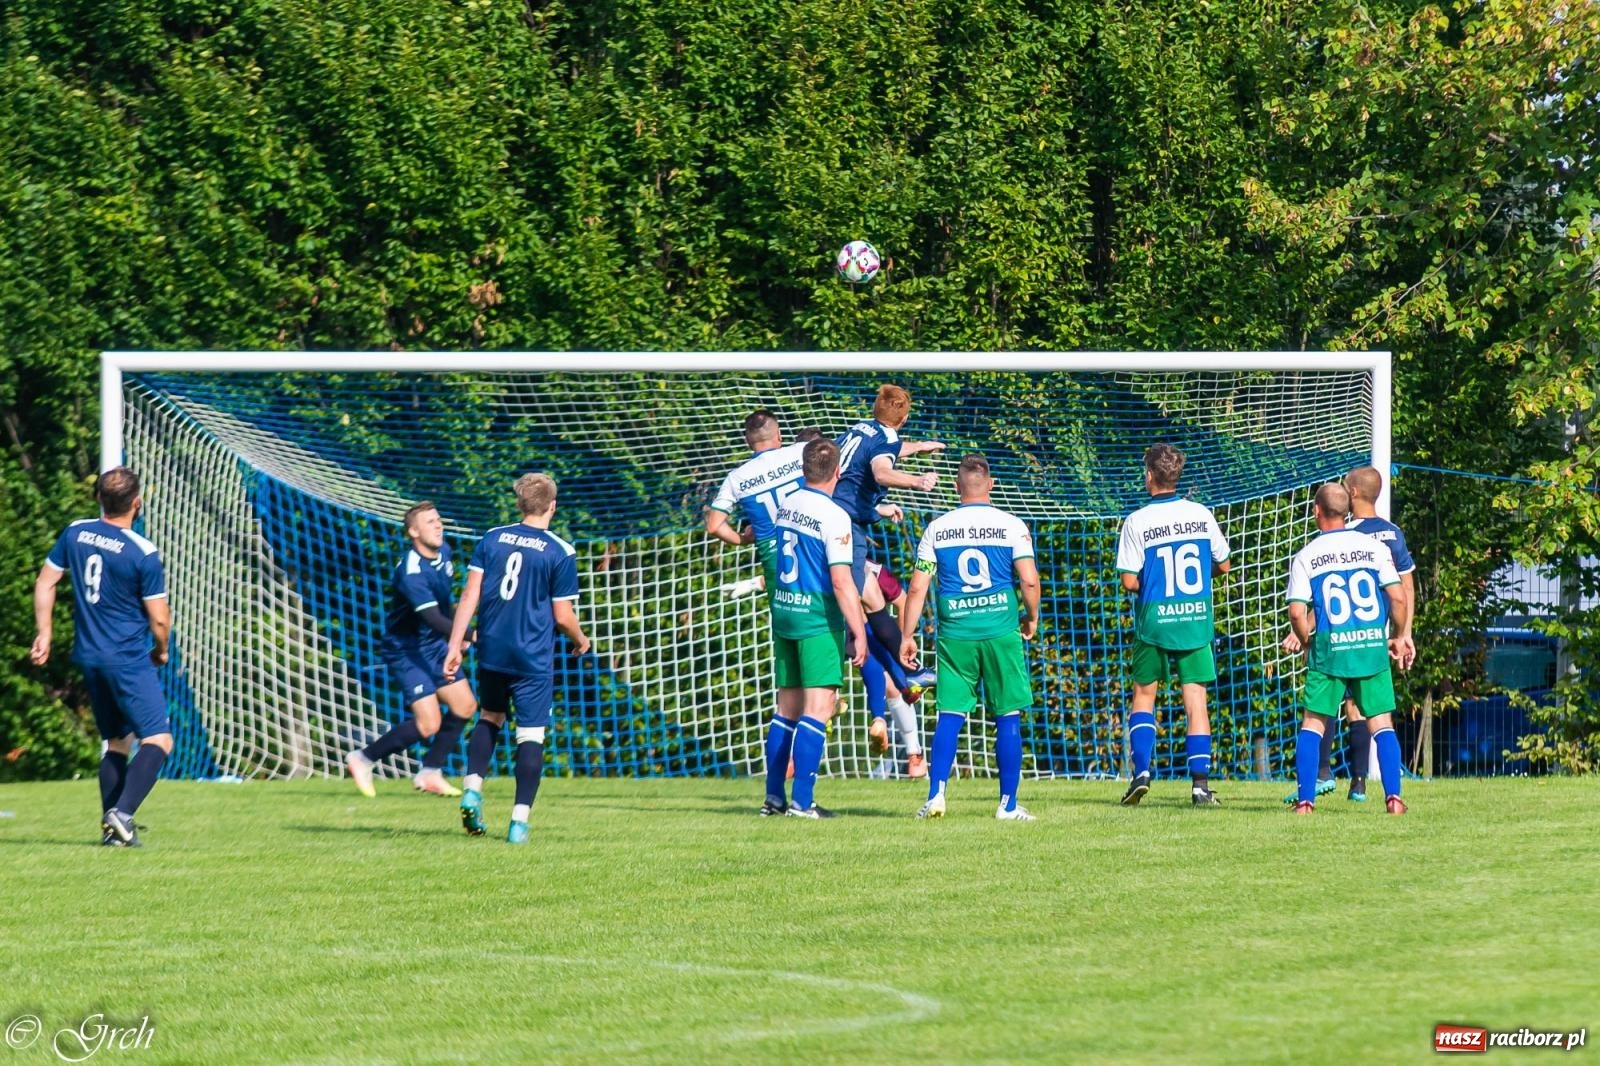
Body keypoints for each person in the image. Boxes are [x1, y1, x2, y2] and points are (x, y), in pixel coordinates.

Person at [444, 474, 591, 843]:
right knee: (531, 735)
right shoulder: (561, 551)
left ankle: (472, 789)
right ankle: (518, 823)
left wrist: (453, 644)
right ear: (552, 506)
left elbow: (469, 595)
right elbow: (562, 616)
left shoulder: (492, 538)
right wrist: (580, 638)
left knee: (489, 717)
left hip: (492, 648)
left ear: (519, 505)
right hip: (531, 656)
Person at [31, 467, 171, 847]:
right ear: (137, 503)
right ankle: (121, 813)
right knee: (159, 740)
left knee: (116, 742)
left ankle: (113, 834)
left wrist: (44, 633)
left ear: (99, 500)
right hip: (125, 658)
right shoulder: (143, 553)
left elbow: (45, 582)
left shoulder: (75, 532)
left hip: (89, 657)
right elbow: (159, 618)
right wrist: (160, 650)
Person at [900, 454, 1041, 820]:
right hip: (1000, 632)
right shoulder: (1012, 525)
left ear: (957, 488)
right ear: (991, 485)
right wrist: (1032, 617)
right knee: (1007, 715)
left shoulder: (937, 528)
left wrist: (907, 634)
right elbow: (1028, 578)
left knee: (950, 714)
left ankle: (936, 797)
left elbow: (917, 588)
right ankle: (1007, 805)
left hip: (956, 634)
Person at [1282, 465, 1418, 803]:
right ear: (1346, 509)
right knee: (1381, 723)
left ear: (1317, 511)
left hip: (1330, 647)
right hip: (1370, 643)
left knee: (1313, 723)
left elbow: (1297, 611)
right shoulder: (1375, 548)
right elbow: (1399, 595)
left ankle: (1305, 800)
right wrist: (1401, 634)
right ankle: (1394, 798)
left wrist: (1306, 639)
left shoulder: (1308, 554)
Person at [1114, 444, 1232, 807]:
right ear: (1177, 475)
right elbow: (1224, 565)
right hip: (1194, 617)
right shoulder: (1201, 514)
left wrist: (1154, 582)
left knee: (1144, 696)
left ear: (1149, 475)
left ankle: (1142, 773)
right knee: (1195, 699)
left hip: (1155, 620)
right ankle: (1199, 785)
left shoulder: (1137, 520)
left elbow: (1129, 582)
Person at [760, 439, 868, 818]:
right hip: (817, 617)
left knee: (786, 709)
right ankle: (802, 802)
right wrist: (859, 631)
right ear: (838, 472)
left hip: (786, 611)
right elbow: (841, 582)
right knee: (817, 709)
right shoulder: (834, 515)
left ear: (804, 470)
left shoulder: (788, 502)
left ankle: (773, 798)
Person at [345, 502, 478, 799]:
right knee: (429, 723)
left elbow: (445, 607)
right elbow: (431, 617)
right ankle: (363, 759)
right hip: (406, 650)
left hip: (434, 645)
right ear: (413, 532)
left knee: (465, 706)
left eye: (438, 519)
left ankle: (430, 772)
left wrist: (458, 636)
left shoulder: (444, 554)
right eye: (430, 522)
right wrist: (471, 635)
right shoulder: (411, 571)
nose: (438, 525)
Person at [833, 386, 943, 734]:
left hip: (839, 517)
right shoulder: (886, 443)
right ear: (904, 419)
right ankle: (829, 684)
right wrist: (917, 480)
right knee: (846, 606)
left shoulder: (860, 428)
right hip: (845, 529)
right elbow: (881, 471)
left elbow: (883, 452)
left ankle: (908, 674)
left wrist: (916, 447)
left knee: (873, 599)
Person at [863, 559, 925, 777]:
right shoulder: (871, 568)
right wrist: (900, 646)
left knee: (809, 692)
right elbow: (903, 601)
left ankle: (791, 757)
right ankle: (914, 756)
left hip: (829, 629)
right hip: (864, 633)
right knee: (894, 688)